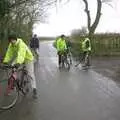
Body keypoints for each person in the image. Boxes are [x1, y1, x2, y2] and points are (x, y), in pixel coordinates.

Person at [3, 34, 37, 98]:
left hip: (28, 58)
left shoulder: (21, 44)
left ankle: (34, 89)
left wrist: (18, 63)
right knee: (13, 68)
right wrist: (5, 61)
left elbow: (21, 54)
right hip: (19, 58)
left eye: (13, 40)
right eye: (10, 41)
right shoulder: (11, 45)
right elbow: (9, 53)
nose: (12, 42)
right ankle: (13, 83)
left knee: (30, 74)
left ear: (16, 39)